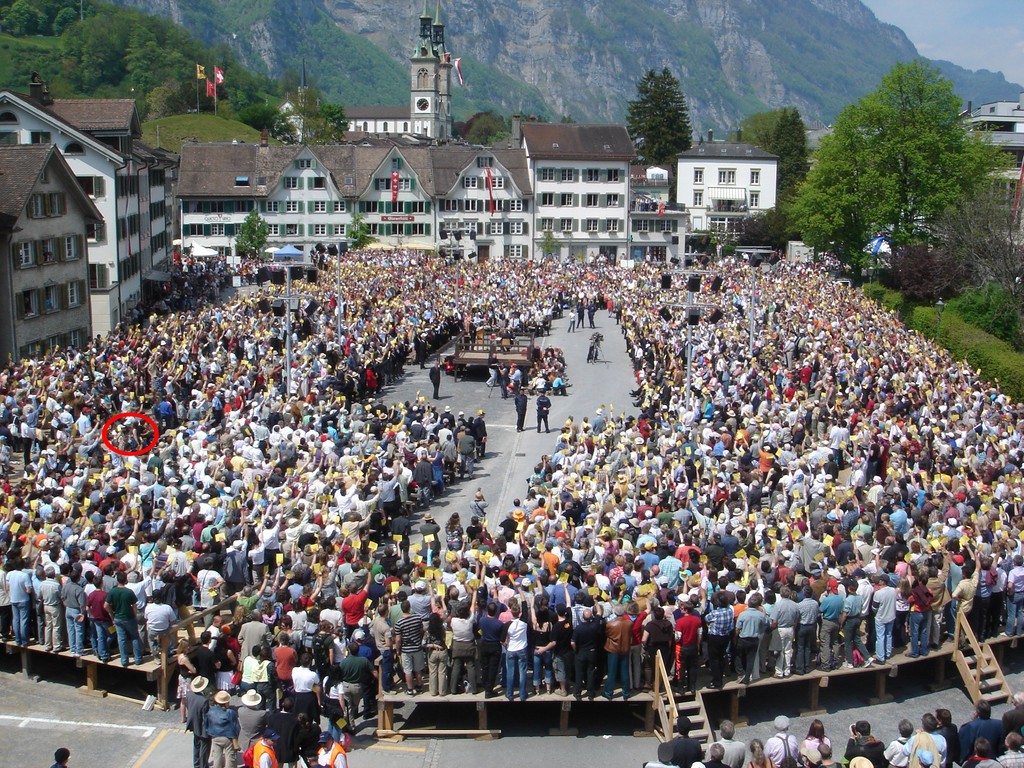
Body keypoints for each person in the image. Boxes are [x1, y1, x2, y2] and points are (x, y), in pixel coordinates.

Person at [105, 571, 143, 667]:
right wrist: (134, 615)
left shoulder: (113, 591)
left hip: (117, 617)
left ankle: (124, 660)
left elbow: (105, 605)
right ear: (126, 580)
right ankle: (138, 658)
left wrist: (111, 614)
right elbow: (134, 606)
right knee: (134, 636)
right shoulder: (129, 592)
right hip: (129, 617)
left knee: (121, 639)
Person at [205, 689, 241, 768]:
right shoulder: (230, 712)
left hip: (215, 737)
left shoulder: (211, 711)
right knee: (230, 759)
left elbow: (206, 724)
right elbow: (236, 727)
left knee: (217, 758)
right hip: (228, 738)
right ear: (226, 702)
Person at [184, 676, 211, 768]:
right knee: (204, 747)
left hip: (193, 723)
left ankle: (196, 764)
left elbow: (188, 706)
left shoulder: (189, 694)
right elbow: (205, 716)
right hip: (203, 727)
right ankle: (203, 765)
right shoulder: (204, 700)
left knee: (196, 745)